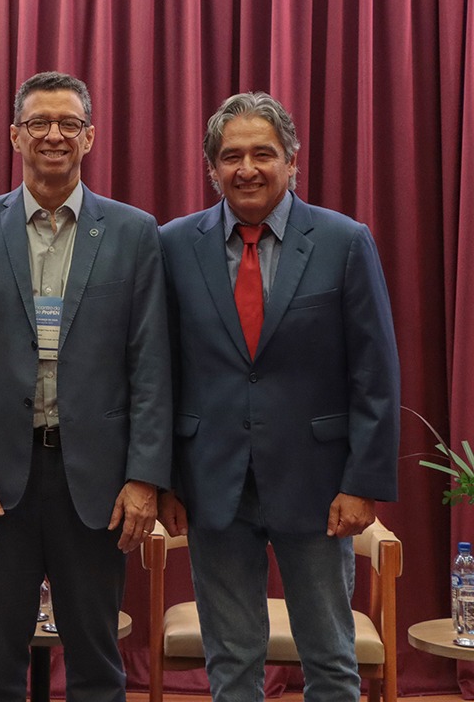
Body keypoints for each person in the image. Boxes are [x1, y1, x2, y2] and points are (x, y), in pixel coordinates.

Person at [157, 91, 399, 702]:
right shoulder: (172, 245)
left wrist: (362, 481)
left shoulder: (345, 241)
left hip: (320, 488)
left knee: (330, 657)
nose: (247, 169)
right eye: (231, 156)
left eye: (263, 153)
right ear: (211, 168)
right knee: (232, 662)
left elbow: (375, 371)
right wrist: (164, 479)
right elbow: (156, 371)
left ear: (292, 161)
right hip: (211, 484)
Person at [0, 71, 171, 702]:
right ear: (15, 134)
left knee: (98, 663)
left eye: (68, 123)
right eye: (39, 122)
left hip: (97, 480)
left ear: (89, 136)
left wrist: (145, 476)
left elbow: (151, 363)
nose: (53, 135)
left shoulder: (133, 232)